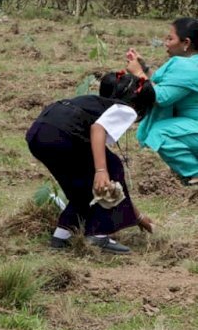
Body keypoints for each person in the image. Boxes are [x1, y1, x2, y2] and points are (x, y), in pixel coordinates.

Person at [25, 72, 156, 254]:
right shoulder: (126, 108)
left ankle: (62, 236)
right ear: (140, 104)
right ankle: (99, 234)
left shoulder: (93, 102)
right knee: (112, 166)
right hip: (62, 135)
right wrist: (101, 170)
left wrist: (138, 216)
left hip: (39, 134)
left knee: (82, 188)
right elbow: (98, 129)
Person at [126, 17, 198, 186]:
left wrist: (139, 75)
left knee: (159, 133)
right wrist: (144, 69)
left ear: (186, 43)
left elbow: (161, 97)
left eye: (170, 38)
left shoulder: (188, 68)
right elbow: (168, 87)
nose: (165, 43)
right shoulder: (191, 65)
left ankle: (195, 171)